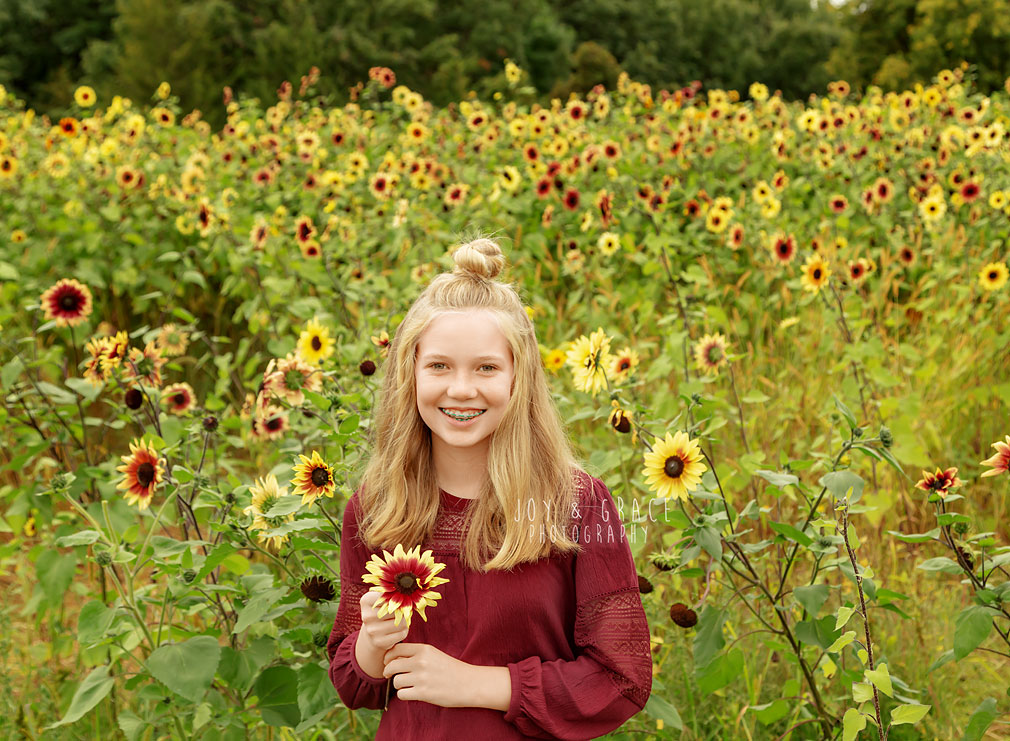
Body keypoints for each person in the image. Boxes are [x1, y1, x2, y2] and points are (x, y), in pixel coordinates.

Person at [326, 236, 652, 739]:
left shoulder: (577, 503)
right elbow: (354, 686)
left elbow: (622, 680)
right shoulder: (378, 507)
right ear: (410, 374)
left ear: (519, 378)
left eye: (486, 367)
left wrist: (478, 685)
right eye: (439, 366)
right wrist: (372, 642)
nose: (461, 389)